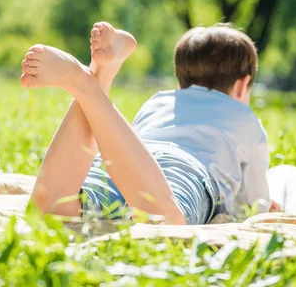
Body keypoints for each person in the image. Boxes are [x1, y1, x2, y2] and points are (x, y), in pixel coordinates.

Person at [21, 22, 270, 225]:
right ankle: (86, 85)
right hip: (186, 169)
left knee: (53, 210)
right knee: (165, 223)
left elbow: (119, 141)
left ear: (180, 81)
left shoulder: (160, 101)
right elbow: (255, 203)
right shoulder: (243, 116)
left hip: (128, 163)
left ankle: (99, 76)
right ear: (242, 85)